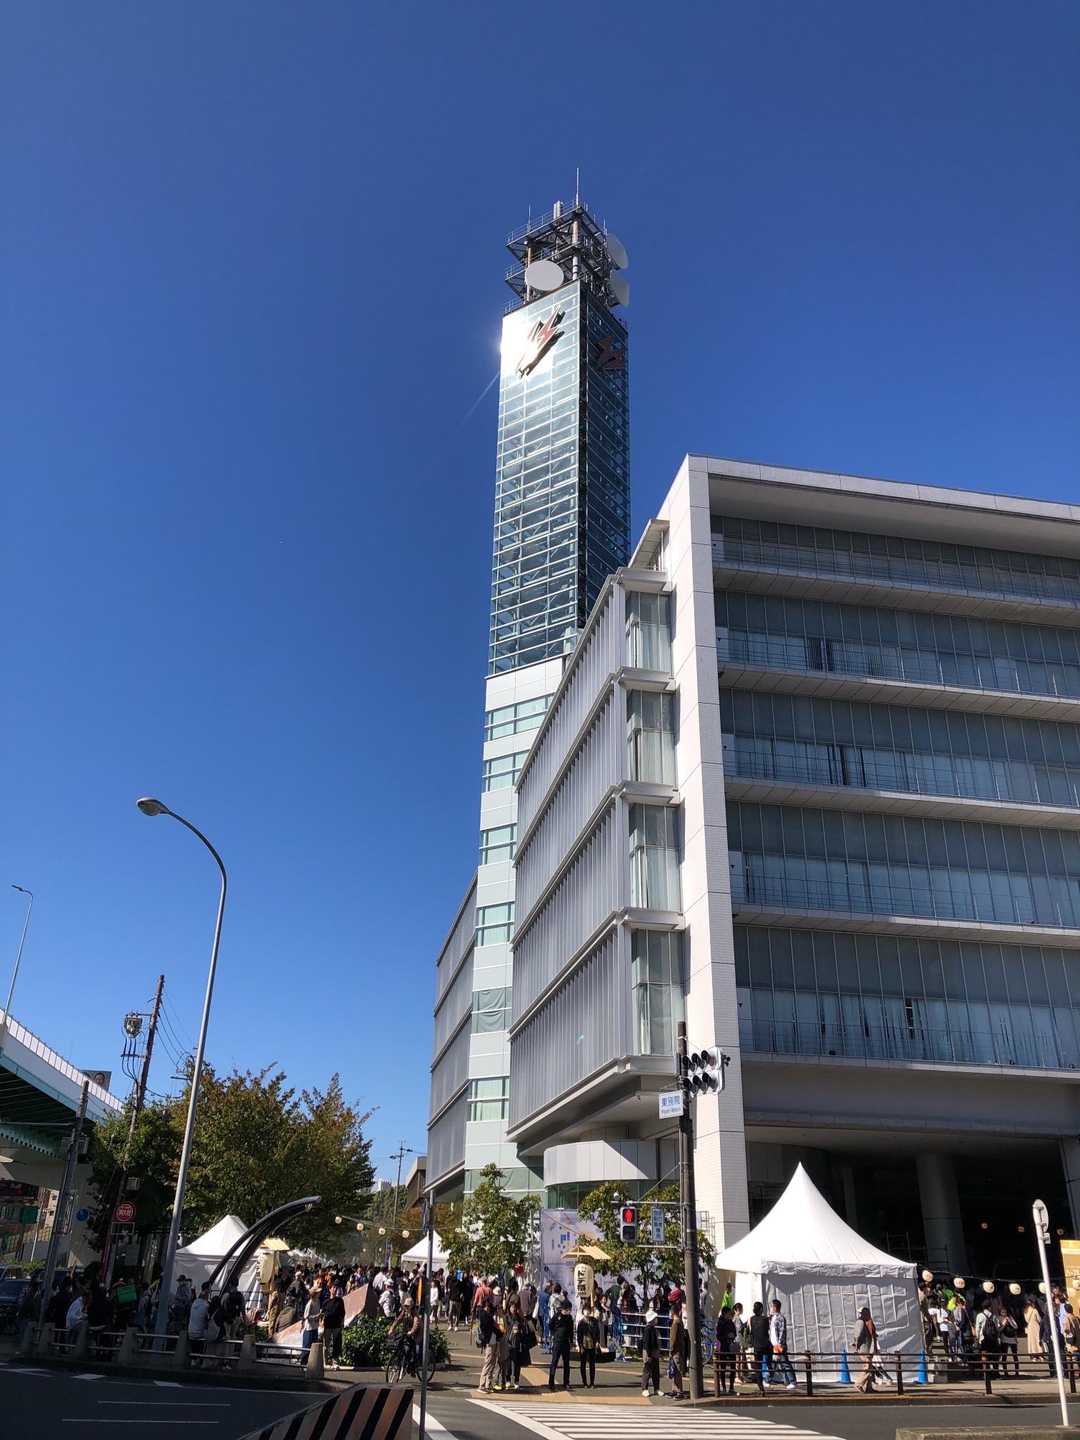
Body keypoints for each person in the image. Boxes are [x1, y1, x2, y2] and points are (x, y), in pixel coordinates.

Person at [768, 1299, 797, 1390]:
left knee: (784, 1363)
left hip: (779, 1345)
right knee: (777, 1363)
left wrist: (779, 1344)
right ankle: (786, 1381)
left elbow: (782, 1332)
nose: (770, 1308)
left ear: (775, 1307)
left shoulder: (780, 1318)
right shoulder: (772, 1318)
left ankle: (792, 1381)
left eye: (771, 1306)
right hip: (773, 1344)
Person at [507, 1298, 534, 1390]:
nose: (513, 1309)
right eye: (512, 1307)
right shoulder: (506, 1317)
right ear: (509, 1308)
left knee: (517, 1363)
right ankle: (507, 1380)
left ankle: (516, 1380)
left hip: (518, 1343)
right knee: (508, 1363)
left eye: (515, 1307)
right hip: (508, 1343)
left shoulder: (520, 1319)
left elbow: (527, 1329)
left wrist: (522, 1322)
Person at [548, 1298, 574, 1391]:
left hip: (566, 1342)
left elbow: (571, 1330)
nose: (569, 1311)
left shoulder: (569, 1317)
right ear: (564, 1308)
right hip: (557, 1342)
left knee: (566, 1363)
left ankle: (566, 1382)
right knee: (554, 1362)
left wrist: (571, 1341)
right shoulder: (557, 1315)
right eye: (568, 1309)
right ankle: (551, 1383)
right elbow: (550, 1325)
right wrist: (554, 1334)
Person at [477, 1298, 501, 1394]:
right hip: (489, 1342)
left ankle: (488, 1384)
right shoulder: (483, 1315)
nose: (487, 1308)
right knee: (488, 1363)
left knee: (492, 1363)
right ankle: (482, 1385)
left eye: (488, 1306)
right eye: (486, 1306)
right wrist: (494, 1322)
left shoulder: (489, 1315)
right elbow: (490, 1325)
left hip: (493, 1340)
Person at [854, 1307, 878, 1393]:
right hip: (864, 1348)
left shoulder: (867, 1321)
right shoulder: (860, 1322)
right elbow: (858, 1334)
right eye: (866, 1312)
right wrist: (856, 1344)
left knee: (869, 1367)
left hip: (868, 1347)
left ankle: (869, 1387)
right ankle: (858, 1383)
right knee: (867, 1367)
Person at [667, 1301, 689, 1398]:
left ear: (672, 1313)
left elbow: (673, 1339)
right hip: (679, 1349)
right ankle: (675, 1390)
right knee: (675, 1370)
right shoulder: (680, 1323)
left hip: (676, 1351)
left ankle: (679, 1391)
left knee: (676, 1370)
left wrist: (670, 1350)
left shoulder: (675, 1324)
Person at [715, 1305, 737, 1395]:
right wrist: (726, 1336)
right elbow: (718, 1336)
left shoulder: (730, 1322)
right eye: (728, 1313)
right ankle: (723, 1387)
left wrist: (733, 1335)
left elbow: (735, 1332)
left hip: (731, 1346)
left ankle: (731, 1387)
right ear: (724, 1313)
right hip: (723, 1346)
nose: (730, 1315)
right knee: (722, 1368)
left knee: (733, 1367)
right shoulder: (720, 1322)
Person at [577, 1303, 600, 1388]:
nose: (587, 1312)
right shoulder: (581, 1322)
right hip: (583, 1344)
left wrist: (597, 1342)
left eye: (588, 1310)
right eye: (585, 1310)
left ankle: (592, 1382)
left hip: (592, 1344)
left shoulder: (594, 1321)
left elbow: (597, 1332)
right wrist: (580, 1346)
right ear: (583, 1311)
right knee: (583, 1364)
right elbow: (579, 1335)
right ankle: (584, 1382)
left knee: (592, 1364)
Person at [749, 1300, 771, 1390]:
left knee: (758, 1365)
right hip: (765, 1344)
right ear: (761, 1309)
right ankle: (767, 1378)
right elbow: (767, 1330)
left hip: (756, 1345)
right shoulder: (765, 1319)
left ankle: (760, 1384)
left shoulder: (752, 1319)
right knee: (767, 1362)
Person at [187, 1283, 211, 1366]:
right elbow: (208, 1319)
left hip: (190, 1331)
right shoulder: (206, 1305)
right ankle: (201, 1359)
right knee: (209, 1335)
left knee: (195, 1345)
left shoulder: (194, 1303)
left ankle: (193, 1359)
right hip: (200, 1333)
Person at [323, 1286, 346, 1369]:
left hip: (337, 1326)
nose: (335, 1289)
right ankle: (325, 1362)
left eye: (336, 1288)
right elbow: (322, 1314)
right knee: (326, 1345)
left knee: (336, 1344)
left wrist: (342, 1324)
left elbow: (343, 1313)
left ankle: (335, 1362)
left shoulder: (340, 1301)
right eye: (333, 1287)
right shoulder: (326, 1302)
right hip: (327, 1326)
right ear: (330, 1289)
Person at [641, 1307, 661, 1397]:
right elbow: (646, 1343)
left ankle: (657, 1389)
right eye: (655, 1318)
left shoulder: (653, 1328)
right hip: (649, 1352)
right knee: (647, 1371)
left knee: (656, 1371)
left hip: (654, 1351)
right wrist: (648, 1354)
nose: (656, 1320)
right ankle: (644, 1389)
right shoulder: (647, 1329)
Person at [300, 1289, 322, 1365]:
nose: (319, 1293)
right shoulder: (309, 1304)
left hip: (315, 1327)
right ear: (314, 1294)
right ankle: (303, 1364)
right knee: (306, 1347)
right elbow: (306, 1316)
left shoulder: (318, 1301)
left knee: (313, 1347)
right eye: (318, 1292)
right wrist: (316, 1316)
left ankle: (310, 1364)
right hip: (309, 1328)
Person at [1025, 1295, 1045, 1365]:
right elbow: (1039, 1319)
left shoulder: (1025, 1311)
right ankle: (1040, 1355)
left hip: (1030, 1327)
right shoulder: (1035, 1310)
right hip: (1036, 1326)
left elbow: (1026, 1320)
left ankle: (1033, 1356)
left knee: (1031, 1341)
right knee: (1037, 1340)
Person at [538, 1281, 552, 1351]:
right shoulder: (548, 1296)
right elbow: (549, 1305)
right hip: (545, 1313)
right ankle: (546, 1343)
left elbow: (539, 1302)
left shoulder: (541, 1294)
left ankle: (541, 1341)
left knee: (541, 1326)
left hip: (540, 1312)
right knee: (546, 1328)